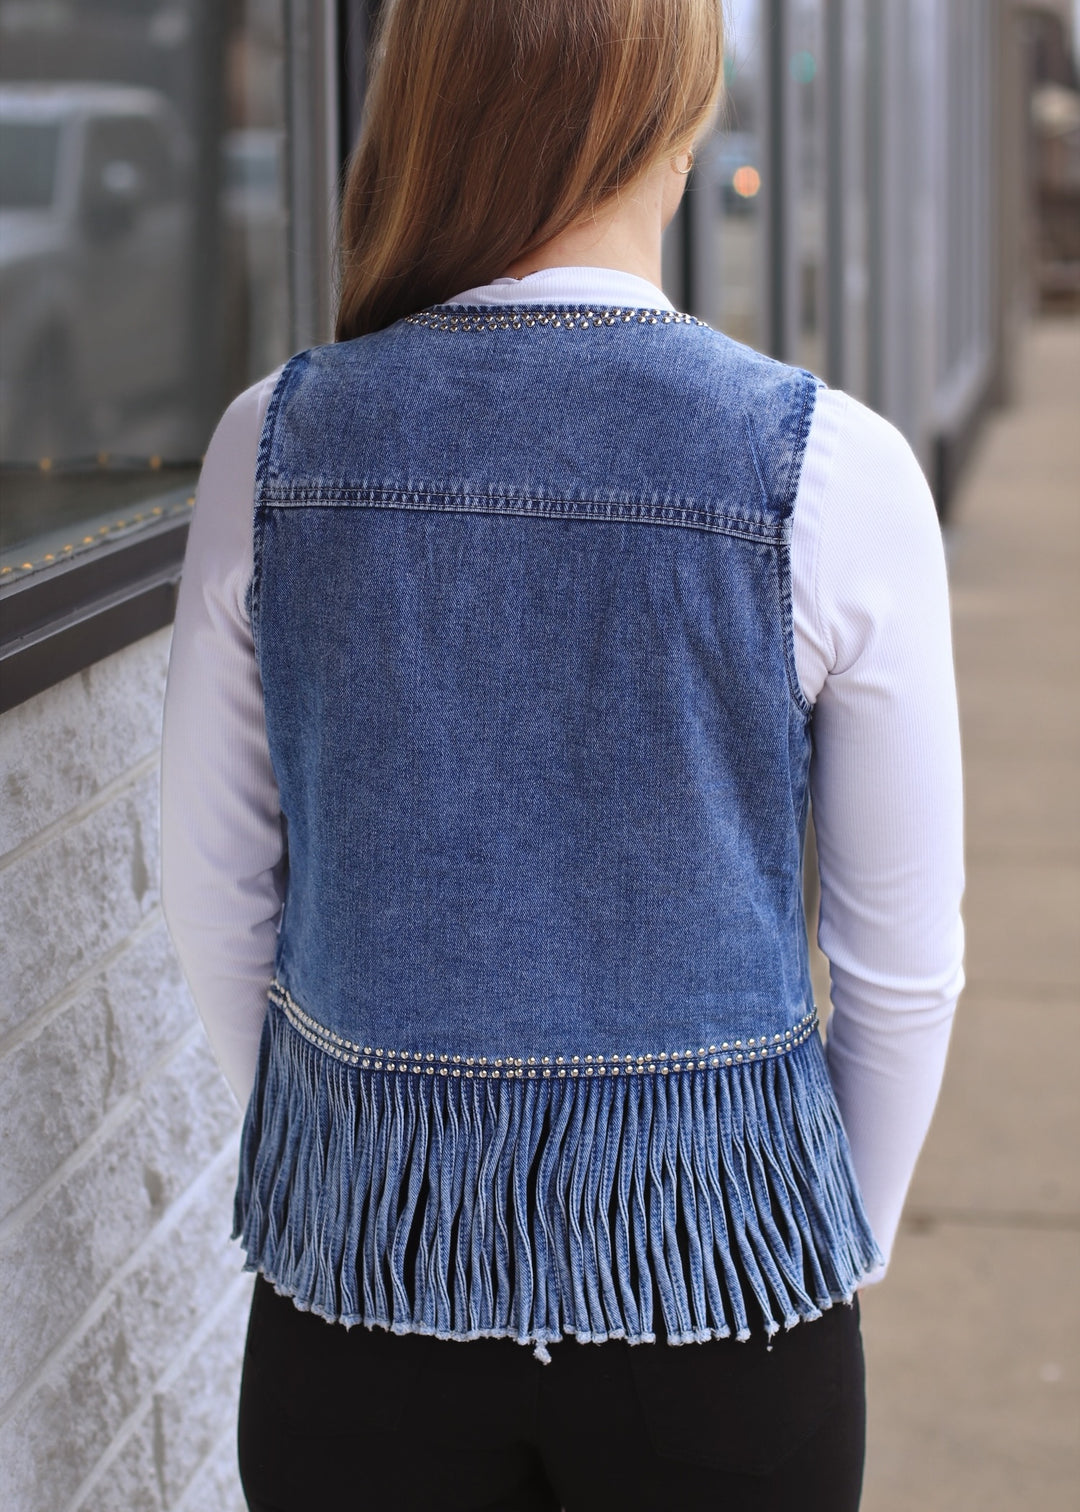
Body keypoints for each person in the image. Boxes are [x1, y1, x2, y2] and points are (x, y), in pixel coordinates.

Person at [160, 1, 964, 1508]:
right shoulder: (832, 466)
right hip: (722, 1305)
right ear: (678, 112)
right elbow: (905, 965)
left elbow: (216, 892)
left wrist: (357, 1163)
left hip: (362, 1305)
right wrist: (811, 1251)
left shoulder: (273, 444)